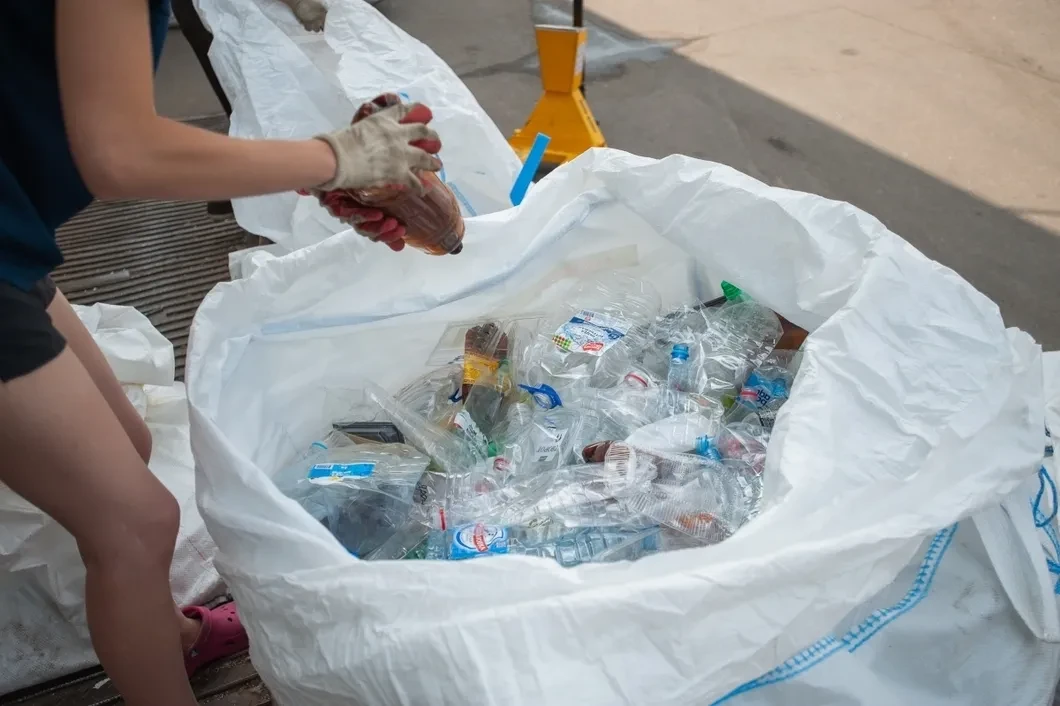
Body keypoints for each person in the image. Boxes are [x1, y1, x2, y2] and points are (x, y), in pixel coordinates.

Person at [0, 2, 442, 706]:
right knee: (135, 524)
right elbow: (122, 155)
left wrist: (318, 168)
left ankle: (171, 637)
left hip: (13, 227)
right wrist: (337, 158)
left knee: (130, 441)